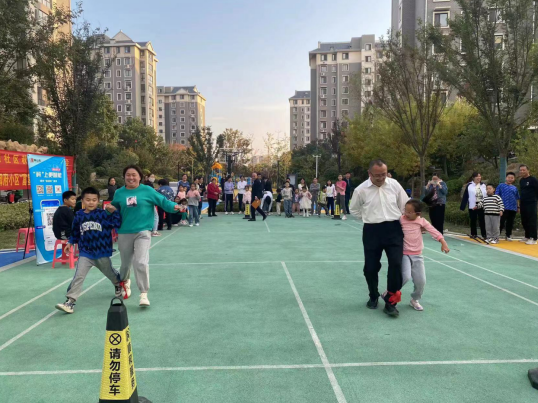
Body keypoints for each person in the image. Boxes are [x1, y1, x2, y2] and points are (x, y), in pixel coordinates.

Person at [111, 165, 180, 307]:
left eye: (134, 175)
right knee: (125, 264)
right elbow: (114, 209)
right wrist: (109, 209)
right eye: (128, 175)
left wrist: (175, 206)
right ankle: (125, 282)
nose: (131, 177)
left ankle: (143, 294)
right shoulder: (119, 193)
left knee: (141, 262)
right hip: (124, 231)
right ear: (124, 177)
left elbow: (163, 202)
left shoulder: (147, 190)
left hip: (143, 231)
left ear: (140, 177)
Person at [350, 159, 409, 317]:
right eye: (377, 175)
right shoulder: (361, 190)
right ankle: (373, 295)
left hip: (394, 229)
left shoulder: (394, 184)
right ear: (369, 174)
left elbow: (405, 205)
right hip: (372, 230)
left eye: (383, 174)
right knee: (370, 267)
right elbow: (353, 210)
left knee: (396, 264)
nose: (381, 178)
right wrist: (368, 217)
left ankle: (391, 301)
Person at [55, 187, 123, 314]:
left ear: (98, 201)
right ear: (82, 201)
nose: (91, 202)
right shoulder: (79, 216)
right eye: (88, 200)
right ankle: (70, 302)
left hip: (101, 252)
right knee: (79, 276)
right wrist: (70, 242)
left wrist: (115, 212)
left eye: (94, 200)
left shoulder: (103, 215)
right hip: (85, 253)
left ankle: (118, 284)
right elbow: (75, 231)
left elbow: (116, 223)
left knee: (110, 273)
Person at [399, 199, 449, 311]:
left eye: (409, 212)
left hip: (417, 255)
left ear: (418, 213)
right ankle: (390, 292)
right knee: (405, 277)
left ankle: (414, 300)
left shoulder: (421, 221)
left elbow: (433, 231)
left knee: (421, 281)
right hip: (404, 254)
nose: (406, 214)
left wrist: (443, 242)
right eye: (405, 211)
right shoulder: (401, 219)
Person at [460, 172, 487, 240]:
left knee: (482, 220)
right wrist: (462, 206)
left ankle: (484, 234)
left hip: (482, 205)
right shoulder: (469, 185)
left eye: (480, 176)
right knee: (473, 220)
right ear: (473, 177)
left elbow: (486, 195)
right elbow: (465, 196)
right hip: (472, 205)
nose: (479, 178)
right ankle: (473, 234)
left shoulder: (483, 185)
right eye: (477, 176)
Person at [496, 172, 520, 241]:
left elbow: (517, 198)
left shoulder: (515, 188)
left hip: (513, 208)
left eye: (512, 178)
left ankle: (508, 235)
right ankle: (497, 235)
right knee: (501, 222)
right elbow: (497, 195)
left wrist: (518, 207)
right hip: (503, 207)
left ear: (514, 179)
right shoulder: (501, 185)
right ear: (506, 178)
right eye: (509, 177)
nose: (510, 179)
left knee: (510, 222)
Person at [519, 165, 538, 245]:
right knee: (524, 220)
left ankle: (534, 238)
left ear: (528, 170)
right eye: (521, 170)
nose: (522, 171)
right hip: (523, 202)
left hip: (531, 202)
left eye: (524, 170)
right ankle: (527, 236)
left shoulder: (533, 180)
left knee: (532, 220)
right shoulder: (521, 180)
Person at [144, 173, 160, 237]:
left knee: (150, 216)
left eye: (154, 176)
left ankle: (150, 230)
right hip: (149, 202)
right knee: (155, 216)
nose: (153, 178)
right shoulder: (148, 184)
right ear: (148, 177)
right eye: (151, 176)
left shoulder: (148, 184)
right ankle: (154, 231)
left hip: (148, 202)